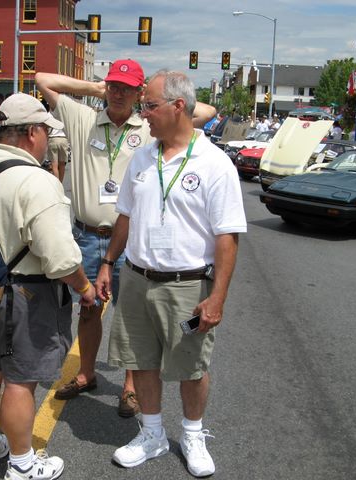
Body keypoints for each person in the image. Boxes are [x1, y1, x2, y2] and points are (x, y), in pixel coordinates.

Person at [35, 60, 216, 418]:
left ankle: (131, 387)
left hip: (131, 240)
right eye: (113, 86)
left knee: (133, 317)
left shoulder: (150, 124)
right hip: (87, 236)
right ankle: (86, 373)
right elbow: (43, 80)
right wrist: (96, 88)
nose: (118, 94)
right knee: (89, 310)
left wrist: (149, 99)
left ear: (139, 93)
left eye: (127, 88)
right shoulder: (83, 118)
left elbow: (206, 111)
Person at [94, 70, 246, 477]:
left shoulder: (214, 164)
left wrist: (217, 298)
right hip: (137, 278)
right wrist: (108, 262)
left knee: (191, 367)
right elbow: (126, 215)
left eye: (149, 105)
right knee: (141, 360)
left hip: (187, 285)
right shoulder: (143, 157)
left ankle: (192, 434)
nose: (142, 113)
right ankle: (153, 433)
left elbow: (227, 238)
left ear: (178, 106)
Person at [0, 93, 96, 478]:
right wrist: (85, 288)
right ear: (32, 132)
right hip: (24, 295)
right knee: (20, 382)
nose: (48, 140)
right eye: (46, 132)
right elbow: (61, 259)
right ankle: (22, 463)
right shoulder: (37, 181)